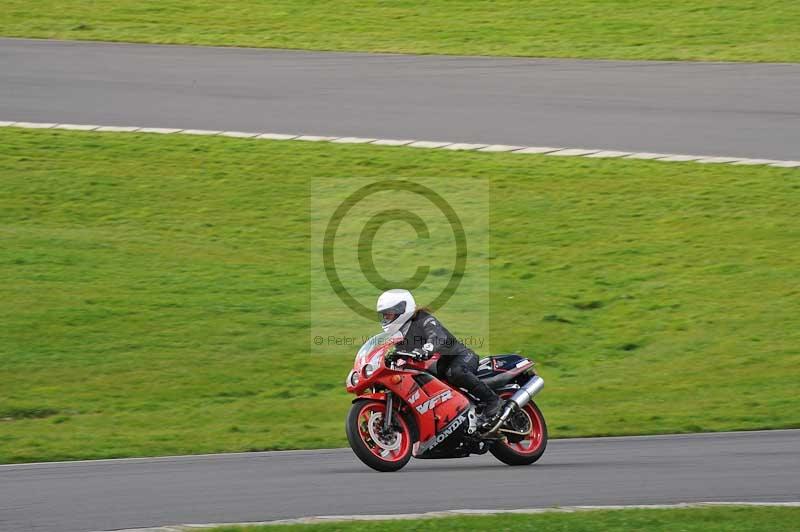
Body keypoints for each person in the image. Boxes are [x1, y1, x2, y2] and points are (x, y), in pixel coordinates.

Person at [376, 288, 503, 425]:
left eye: (389, 314)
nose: (386, 318)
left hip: (461, 356)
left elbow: (438, 337)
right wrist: (388, 359)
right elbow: (403, 356)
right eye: (384, 315)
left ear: (402, 309)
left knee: (456, 372)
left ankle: (493, 401)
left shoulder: (423, 318)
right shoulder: (400, 334)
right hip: (441, 367)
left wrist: (426, 350)